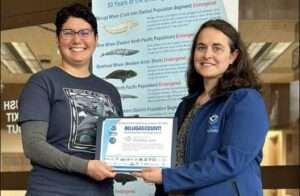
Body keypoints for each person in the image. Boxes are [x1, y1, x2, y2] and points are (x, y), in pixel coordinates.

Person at [134, 19, 269, 196]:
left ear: (233, 57)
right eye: (201, 47)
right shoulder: (186, 105)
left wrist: (167, 177)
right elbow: (173, 158)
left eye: (217, 48)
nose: (207, 55)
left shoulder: (245, 100)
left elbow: (231, 161)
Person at [18, 3, 123, 196]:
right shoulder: (42, 83)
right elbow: (33, 146)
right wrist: (86, 167)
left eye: (85, 32)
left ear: (96, 39)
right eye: (68, 32)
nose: (77, 39)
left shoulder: (110, 91)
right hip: (52, 191)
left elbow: (117, 146)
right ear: (58, 39)